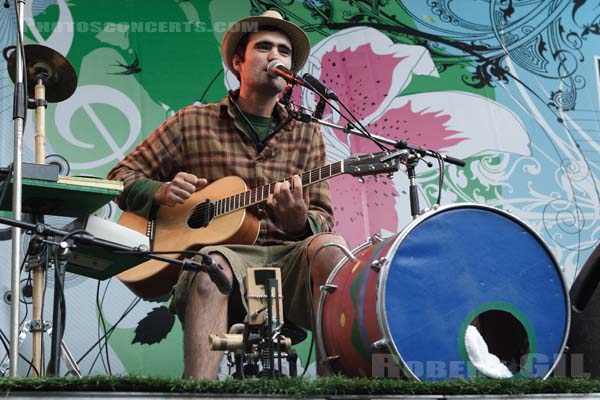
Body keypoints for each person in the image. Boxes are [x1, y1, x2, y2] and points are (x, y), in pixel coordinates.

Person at [107, 10, 348, 379]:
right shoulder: (193, 122)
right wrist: (161, 191)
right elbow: (119, 177)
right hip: (224, 259)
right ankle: (199, 389)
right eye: (264, 47)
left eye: (284, 51)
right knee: (210, 266)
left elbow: (322, 217)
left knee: (332, 249)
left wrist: (301, 222)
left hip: (290, 259)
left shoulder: (307, 134)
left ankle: (338, 388)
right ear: (239, 61)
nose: (276, 57)